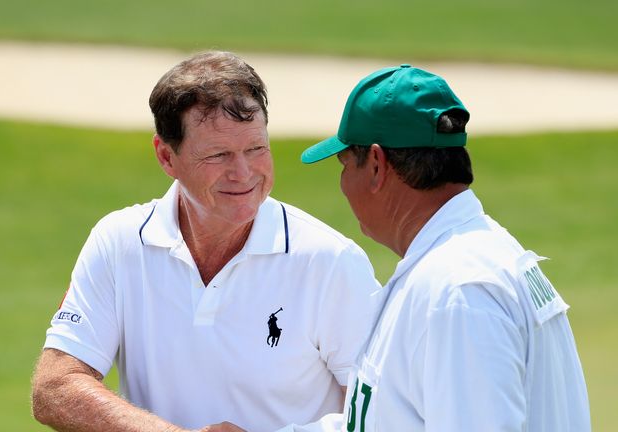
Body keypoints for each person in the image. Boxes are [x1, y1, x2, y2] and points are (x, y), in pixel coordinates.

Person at [31, 51, 383, 432]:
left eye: (256, 149)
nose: (244, 173)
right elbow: (54, 387)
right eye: (219, 155)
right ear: (167, 157)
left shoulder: (331, 261)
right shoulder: (118, 242)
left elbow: (383, 415)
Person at [281, 64, 591, 431]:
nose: (343, 183)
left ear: (377, 166)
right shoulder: (468, 261)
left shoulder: (458, 293)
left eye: (345, 163)